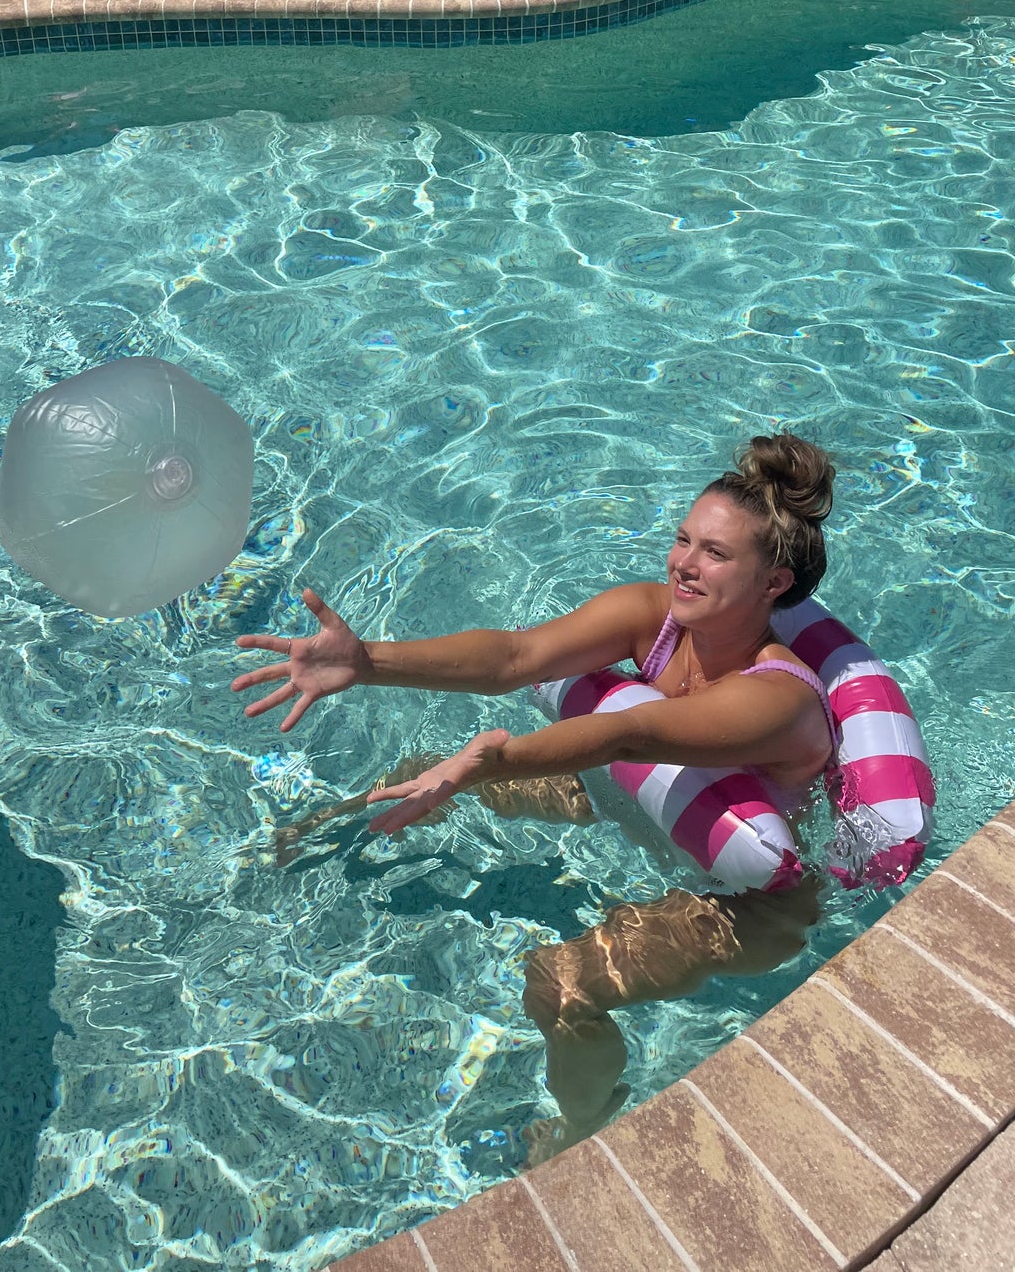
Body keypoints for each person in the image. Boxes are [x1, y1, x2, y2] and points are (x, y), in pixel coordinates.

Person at [232, 432, 837, 1156]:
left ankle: (581, 1132)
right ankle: (332, 827)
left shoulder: (778, 696)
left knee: (559, 985)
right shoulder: (654, 618)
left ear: (772, 582)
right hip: (639, 808)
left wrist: (491, 761)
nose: (682, 562)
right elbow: (515, 656)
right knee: (426, 764)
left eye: (713, 552)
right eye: (682, 539)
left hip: (748, 901)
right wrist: (367, 661)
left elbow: (632, 735)